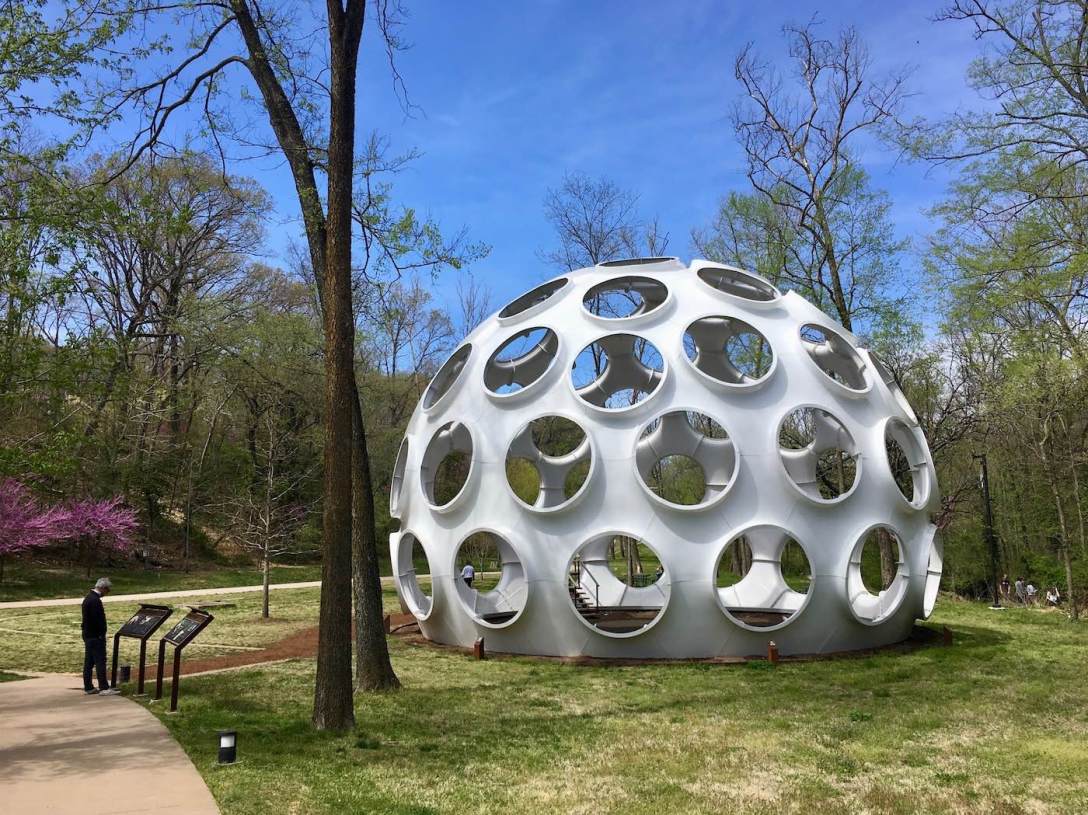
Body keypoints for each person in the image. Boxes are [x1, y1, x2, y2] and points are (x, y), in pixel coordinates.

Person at [82, 577, 118, 695]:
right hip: (95, 636)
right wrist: (101, 634)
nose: (107, 593)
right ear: (103, 588)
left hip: (88, 635)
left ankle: (88, 686)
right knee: (100, 661)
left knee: (89, 662)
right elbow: (97, 620)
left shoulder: (88, 598)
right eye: (107, 590)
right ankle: (103, 687)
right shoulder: (95, 601)